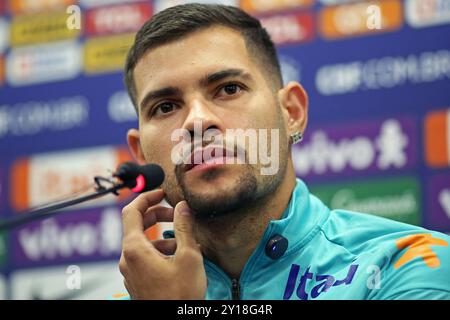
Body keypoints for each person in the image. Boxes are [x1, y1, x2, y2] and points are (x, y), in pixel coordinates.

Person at [115, 3, 450, 300]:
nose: (198, 121)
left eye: (229, 89)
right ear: (141, 152)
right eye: (165, 107)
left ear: (291, 112)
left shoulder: (410, 266)